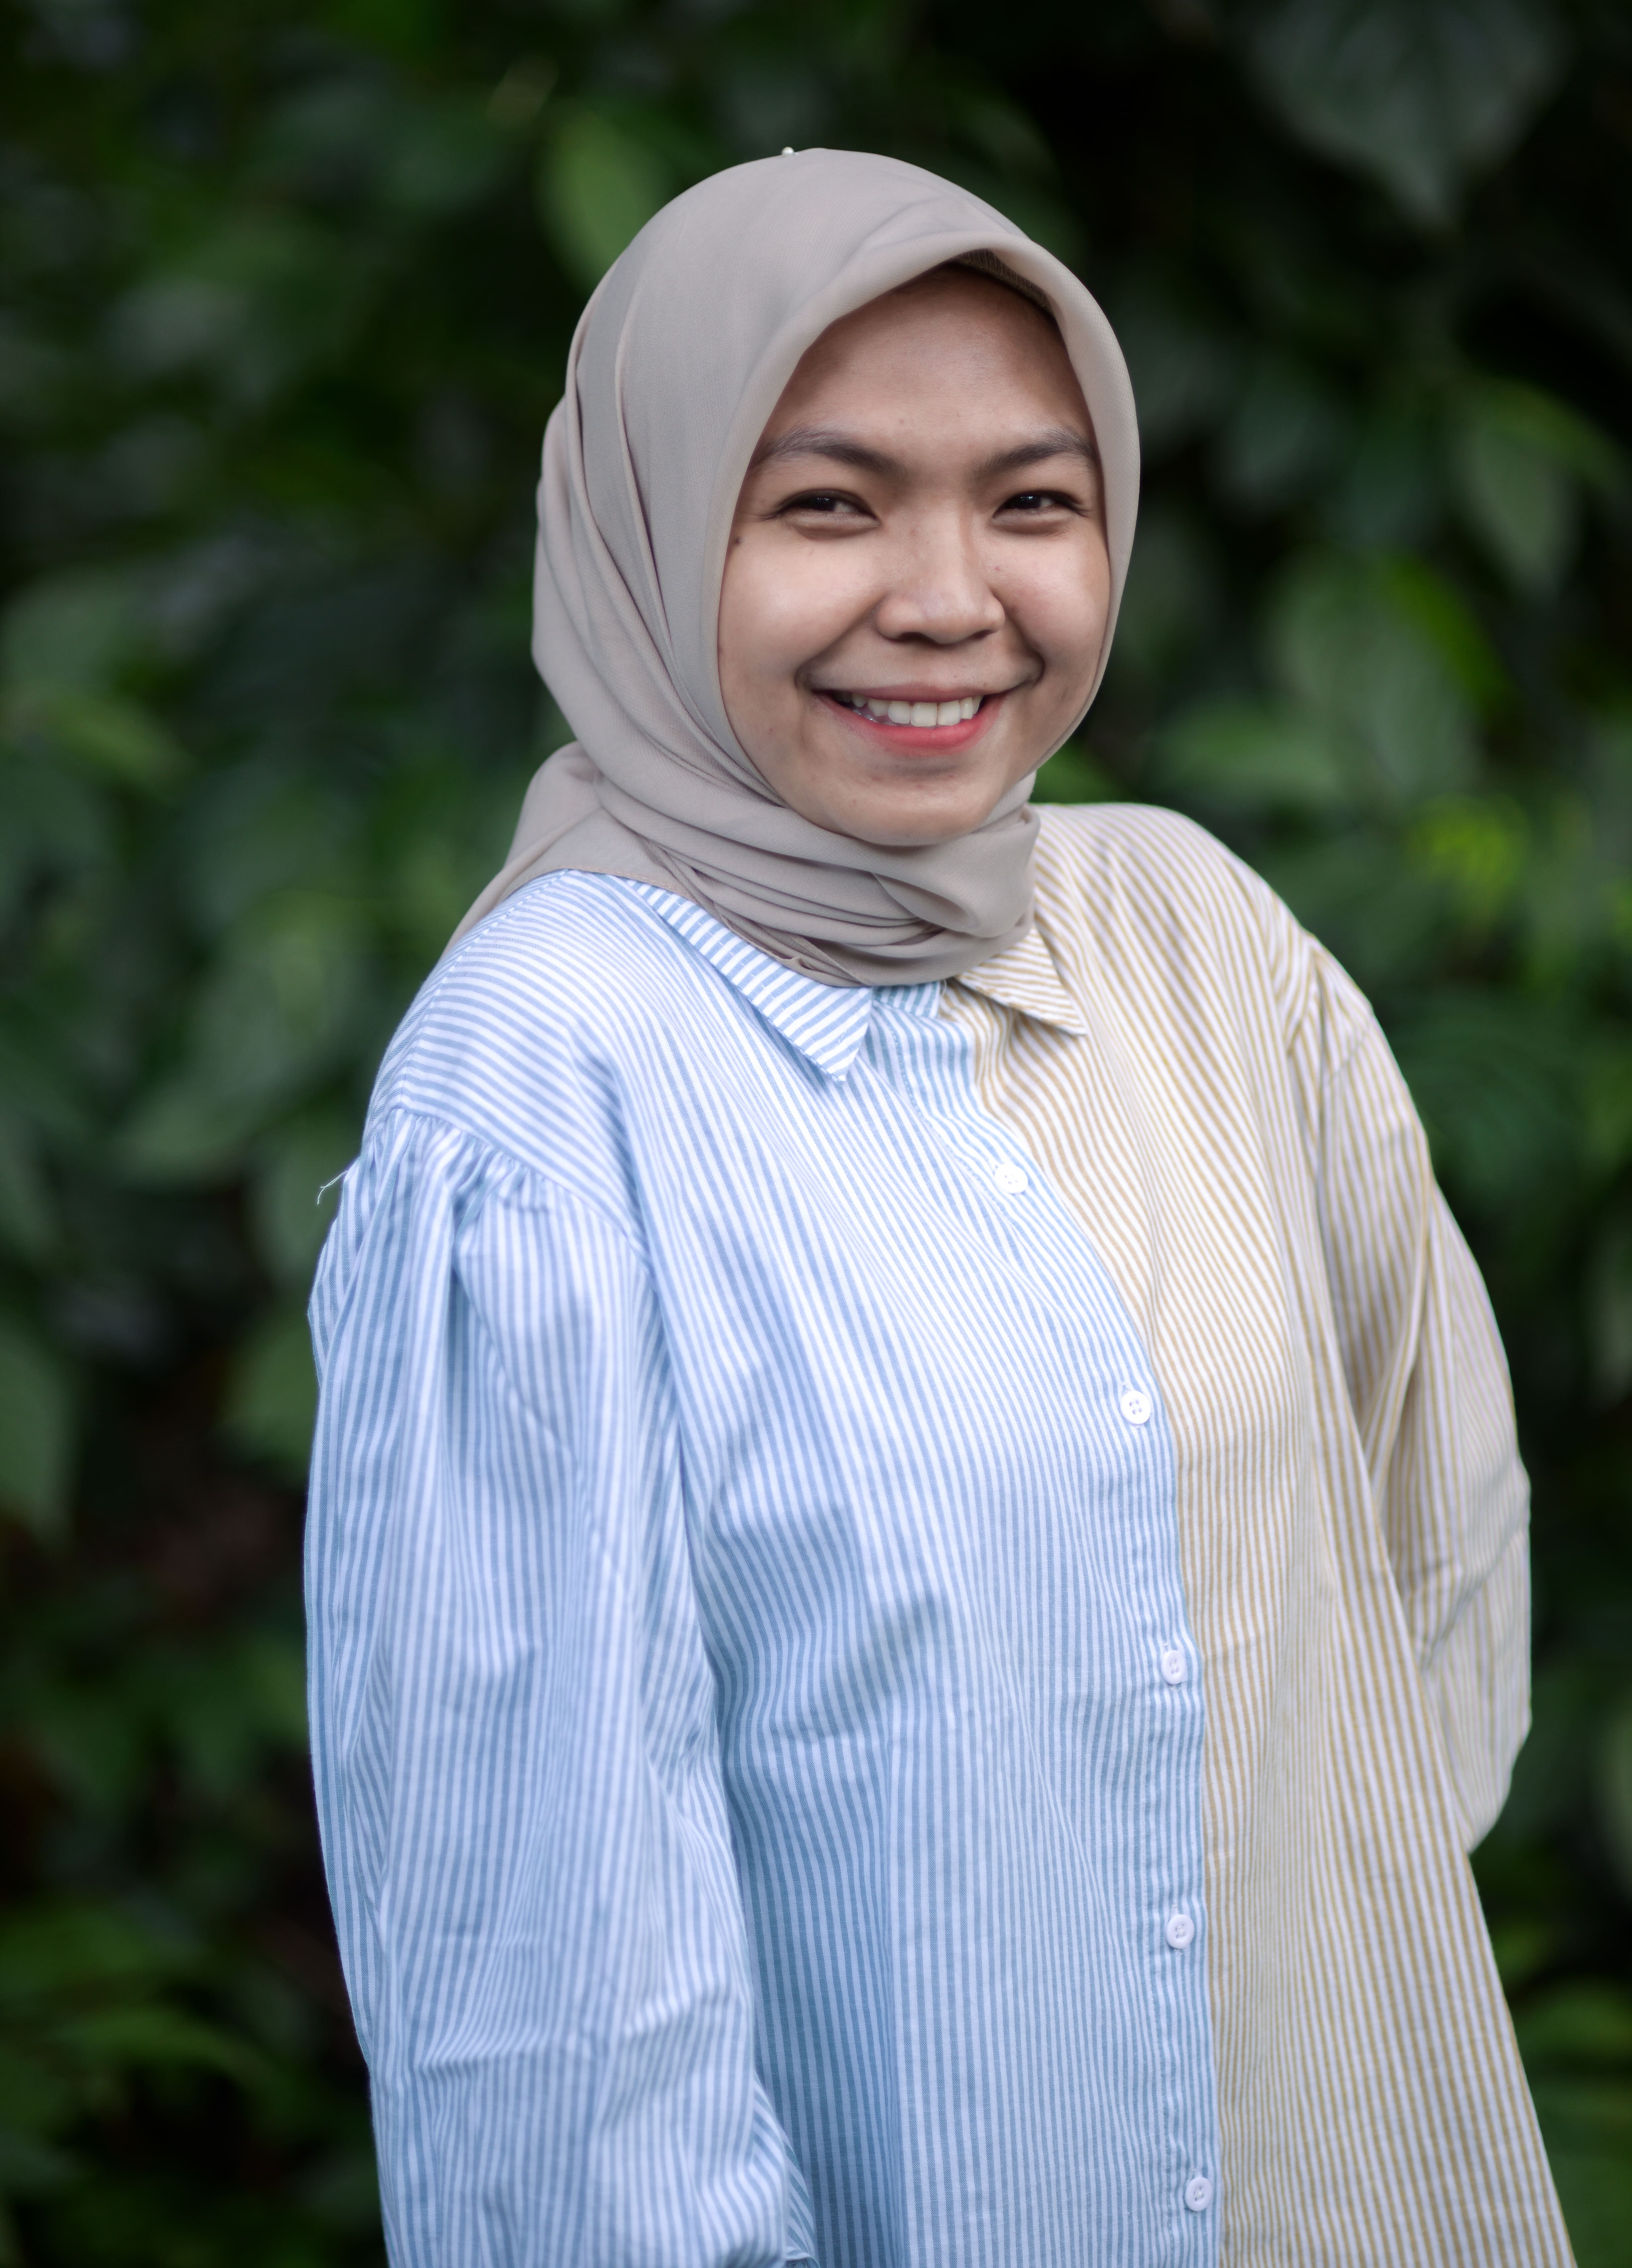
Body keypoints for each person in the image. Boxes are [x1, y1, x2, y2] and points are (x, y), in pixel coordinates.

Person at [304, 151, 1570, 2267]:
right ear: (646, 531)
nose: (950, 596)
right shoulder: (543, 1090)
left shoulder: (1196, 939)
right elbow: (553, 2020)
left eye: (1033, 500)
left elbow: (1422, 1549)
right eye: (828, 505)